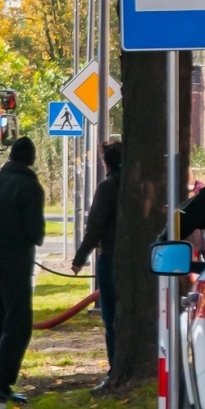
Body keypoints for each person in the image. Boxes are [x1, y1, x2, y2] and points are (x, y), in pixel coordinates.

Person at [0, 136, 47, 404]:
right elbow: (36, 233)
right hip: (16, 263)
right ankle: (1, 383)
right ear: (31, 159)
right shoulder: (30, 187)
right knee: (19, 324)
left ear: (11, 156)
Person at [72, 140, 122, 388]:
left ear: (107, 164)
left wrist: (80, 259)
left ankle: (116, 370)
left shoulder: (107, 188)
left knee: (111, 319)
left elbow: (95, 228)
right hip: (138, 261)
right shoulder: (138, 185)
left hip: (110, 259)